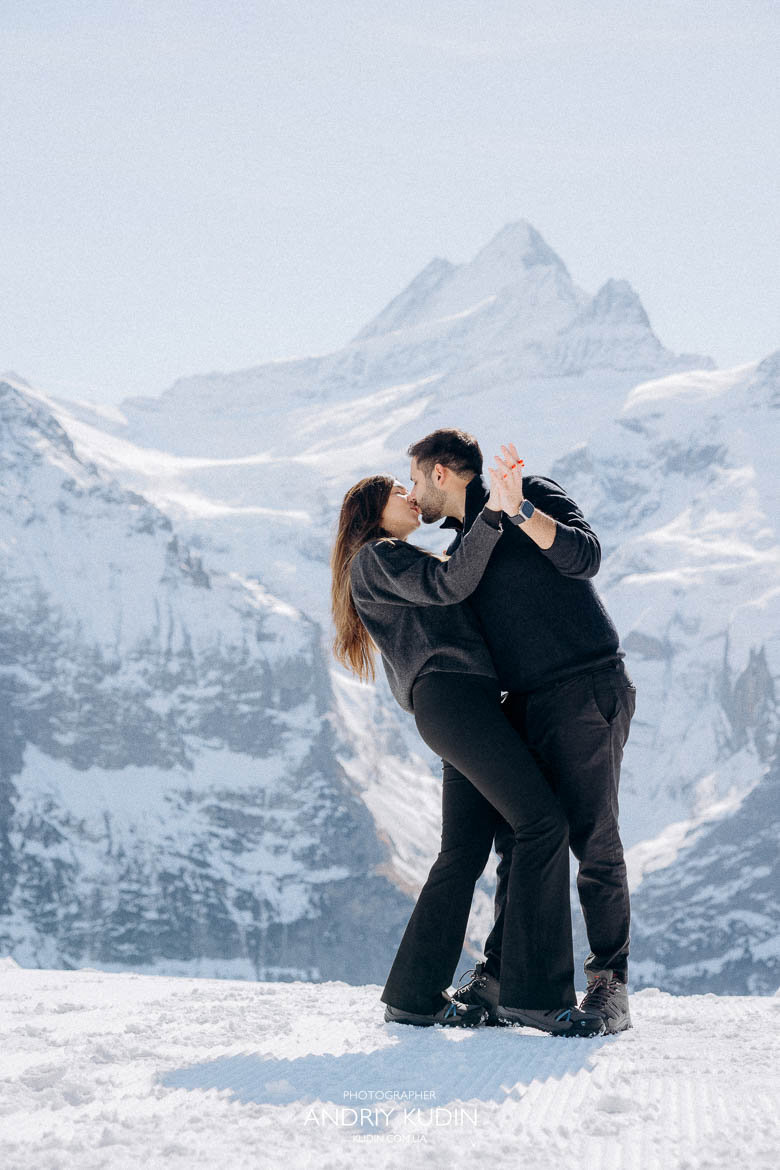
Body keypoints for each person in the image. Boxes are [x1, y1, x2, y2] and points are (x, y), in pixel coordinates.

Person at [330, 454, 606, 1036]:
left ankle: (414, 995)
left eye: (410, 486)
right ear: (370, 514)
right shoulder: (376, 557)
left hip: (461, 706)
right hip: (455, 702)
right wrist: (498, 516)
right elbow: (449, 583)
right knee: (542, 823)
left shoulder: (390, 559)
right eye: (395, 492)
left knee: (462, 852)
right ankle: (535, 996)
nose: (410, 496)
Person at [406, 428, 636, 1034]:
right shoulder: (459, 554)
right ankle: (502, 973)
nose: (411, 493)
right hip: (520, 704)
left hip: (586, 686)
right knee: (522, 837)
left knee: (593, 836)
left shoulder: (530, 492)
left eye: (413, 478)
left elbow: (585, 558)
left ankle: (609, 984)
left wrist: (520, 511)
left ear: (440, 473)